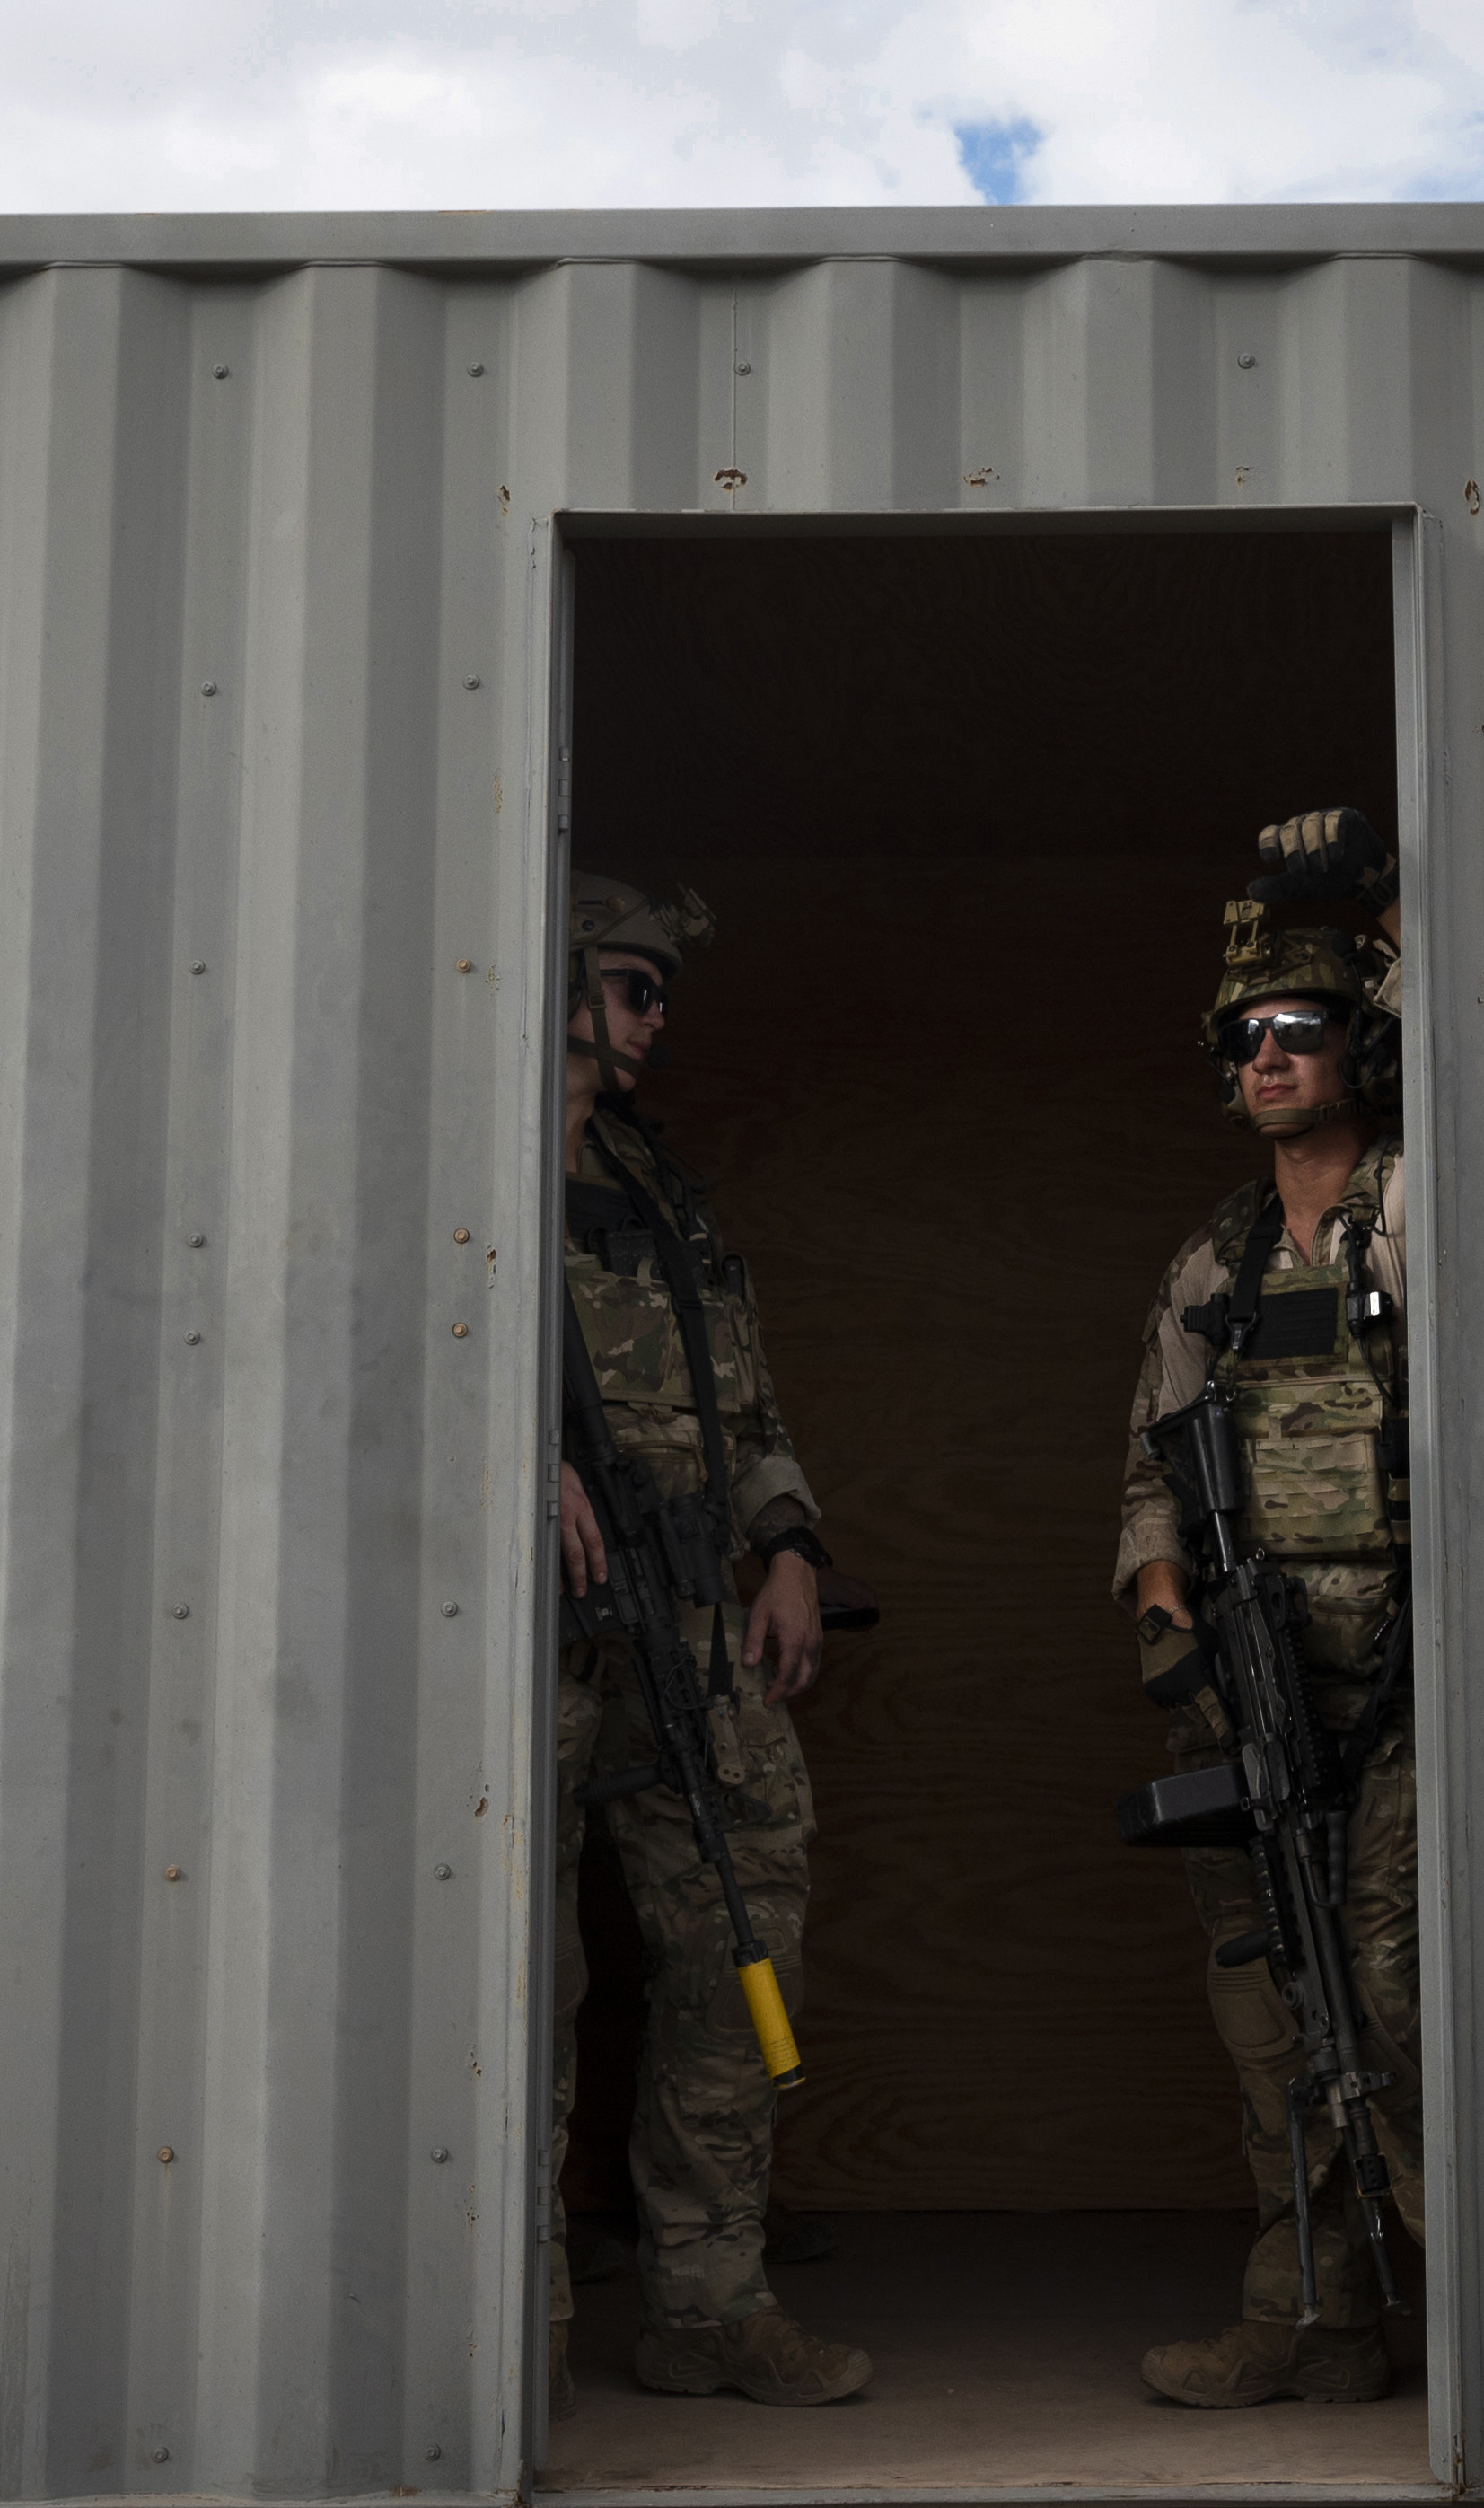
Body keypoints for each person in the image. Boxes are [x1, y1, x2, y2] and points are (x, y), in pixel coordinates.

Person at [545, 874, 869, 2416]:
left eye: (660, 989)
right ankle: (511, 2328)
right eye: (629, 981)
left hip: (684, 1620)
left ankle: (705, 2302)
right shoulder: (463, 1179)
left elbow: (741, 1393)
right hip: (526, 1638)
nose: (657, 1013)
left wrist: (791, 1547)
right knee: (513, 1978)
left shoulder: (662, 1187)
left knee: (744, 1932)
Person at [1115, 808, 1424, 2408]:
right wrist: (1171, 1614)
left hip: (1410, 1692)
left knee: (1383, 1982)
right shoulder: (1216, 1259)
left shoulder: (1409, 1207)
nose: (1268, 1055)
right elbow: (1151, 1474)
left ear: (1363, 1040)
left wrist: (1377, 900)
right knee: (1266, 2006)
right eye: (1244, 1036)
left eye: (1300, 1028)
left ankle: (1478, 2297)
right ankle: (1311, 2316)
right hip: (1262, 1693)